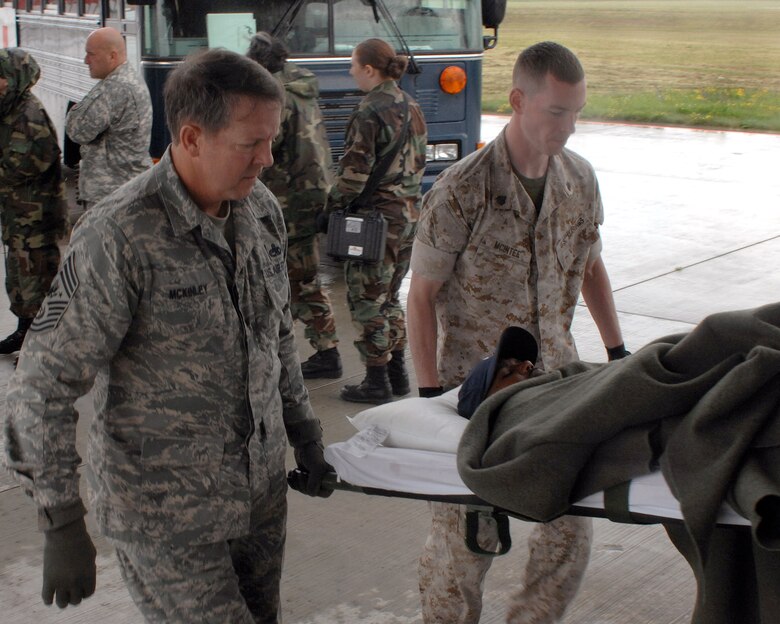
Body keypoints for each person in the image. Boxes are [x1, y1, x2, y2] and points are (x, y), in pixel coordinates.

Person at [5, 48, 331, 623]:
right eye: (250, 143)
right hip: (166, 516)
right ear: (191, 137)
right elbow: (42, 383)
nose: (268, 158)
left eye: (271, 139)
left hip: (258, 499)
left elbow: (275, 335)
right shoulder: (119, 235)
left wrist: (303, 431)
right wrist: (59, 519)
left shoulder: (259, 210)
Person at [407, 41, 630, 624]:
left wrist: (617, 350)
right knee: (463, 544)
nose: (570, 127)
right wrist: (431, 396)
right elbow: (422, 298)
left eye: (577, 112)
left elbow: (590, 265)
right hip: (478, 396)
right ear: (518, 101)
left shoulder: (579, 179)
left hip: (558, 385)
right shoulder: (462, 188)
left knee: (570, 532)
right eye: (557, 112)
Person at [327, 37, 427, 404]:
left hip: (375, 224)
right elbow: (419, 163)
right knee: (389, 298)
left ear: (369, 69)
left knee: (366, 300)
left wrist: (330, 206)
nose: (350, 71)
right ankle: (398, 374)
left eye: (353, 64)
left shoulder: (369, 111)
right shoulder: (411, 104)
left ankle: (376, 380)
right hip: (409, 217)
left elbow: (353, 176)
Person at [246, 32, 342, 379]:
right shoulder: (303, 87)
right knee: (299, 273)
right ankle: (322, 348)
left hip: (287, 198)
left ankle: (324, 350)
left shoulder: (274, 94)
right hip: (313, 192)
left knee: (290, 275)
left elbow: (265, 146)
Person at [0, 49, 70, 358]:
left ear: (15, 79)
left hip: (35, 218)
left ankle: (44, 346)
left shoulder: (29, 115)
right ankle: (25, 330)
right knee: (19, 277)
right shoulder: (10, 109)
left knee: (39, 279)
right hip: (18, 216)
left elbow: (24, 165)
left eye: (0, 78)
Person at [65, 27, 153, 212]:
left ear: (112, 56)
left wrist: (76, 110)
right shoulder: (130, 80)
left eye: (91, 54)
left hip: (111, 197)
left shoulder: (115, 88)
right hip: (126, 190)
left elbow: (76, 130)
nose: (85, 60)